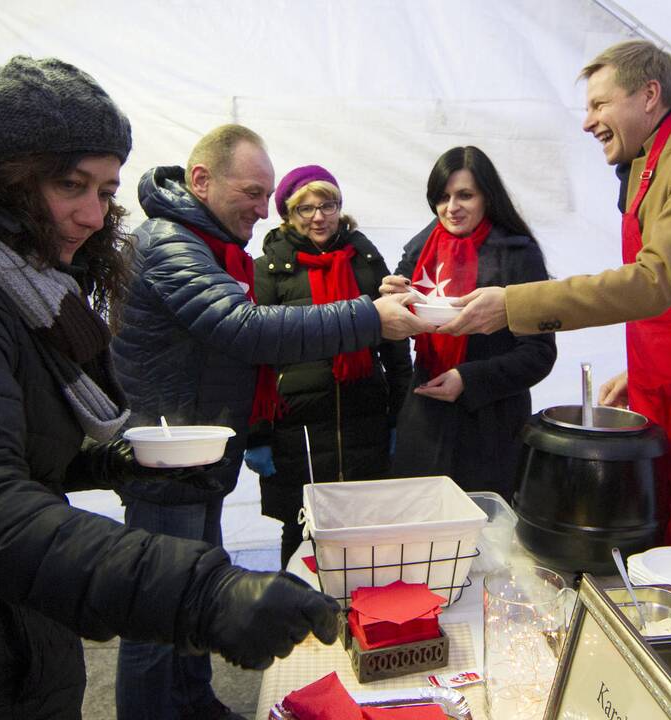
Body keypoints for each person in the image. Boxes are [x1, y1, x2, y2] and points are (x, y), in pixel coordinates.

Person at [0, 58, 340, 720]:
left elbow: (4, 442)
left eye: (106, 190)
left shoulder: (9, 284)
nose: (93, 215)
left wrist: (115, 461)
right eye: (69, 185)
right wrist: (200, 594)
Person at [110, 126, 430, 720]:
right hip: (169, 457)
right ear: (201, 180)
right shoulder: (172, 244)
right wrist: (368, 318)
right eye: (256, 193)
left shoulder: (207, 244)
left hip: (195, 454)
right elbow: (245, 327)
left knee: (191, 590)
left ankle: (192, 702)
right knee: (156, 610)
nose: (265, 209)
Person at [439, 40, 671, 549]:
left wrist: (513, 305)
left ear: (649, 94)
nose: (587, 122)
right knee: (668, 539)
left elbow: (655, 282)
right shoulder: (651, 164)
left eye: (599, 104)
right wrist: (646, 369)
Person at [249, 165, 413, 567]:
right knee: (301, 527)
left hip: (364, 415)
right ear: (287, 214)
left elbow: (395, 341)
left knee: (366, 530)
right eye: (304, 209)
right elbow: (254, 355)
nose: (318, 216)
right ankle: (295, 622)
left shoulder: (366, 260)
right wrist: (256, 434)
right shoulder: (268, 268)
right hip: (296, 426)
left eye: (327, 205)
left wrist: (399, 415)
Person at [379, 146, 556, 502]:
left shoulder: (518, 255)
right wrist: (387, 297)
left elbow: (539, 354)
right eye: (442, 197)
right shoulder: (420, 248)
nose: (451, 207)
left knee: (481, 542)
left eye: (465, 195)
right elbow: (394, 324)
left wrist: (469, 379)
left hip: (489, 426)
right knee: (420, 535)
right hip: (425, 420)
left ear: (487, 197)